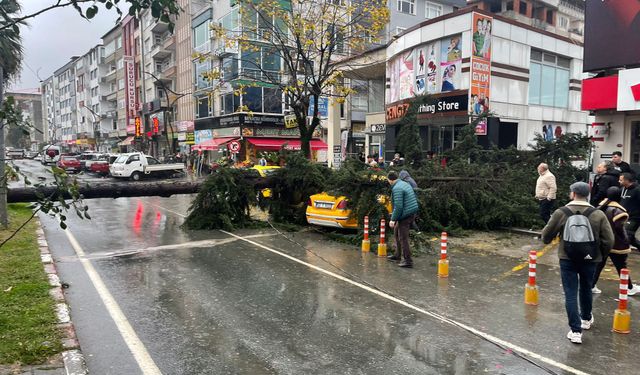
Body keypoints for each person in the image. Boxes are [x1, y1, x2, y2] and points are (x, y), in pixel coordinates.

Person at [542, 182, 614, 344]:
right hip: (590, 259)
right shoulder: (598, 214)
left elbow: (546, 235)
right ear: (587, 194)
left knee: (570, 292)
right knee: (586, 288)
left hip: (567, 258)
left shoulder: (561, 212)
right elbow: (609, 240)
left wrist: (549, 240)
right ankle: (586, 319)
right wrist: (600, 255)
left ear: (573, 193)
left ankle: (575, 331)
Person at [593, 187, 640, 295]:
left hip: (602, 242)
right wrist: (626, 240)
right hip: (616, 244)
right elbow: (619, 228)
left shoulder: (600, 207)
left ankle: (591, 285)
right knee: (621, 266)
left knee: (599, 265)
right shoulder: (618, 211)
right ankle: (629, 287)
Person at [387, 171, 419, 268]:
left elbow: (399, 206)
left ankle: (408, 261)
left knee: (403, 238)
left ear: (391, 180)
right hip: (410, 211)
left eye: (388, 180)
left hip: (406, 214)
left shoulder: (397, 188)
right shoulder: (404, 183)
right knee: (396, 232)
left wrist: (393, 219)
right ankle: (397, 255)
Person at [620, 172, 640, 250]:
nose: (619, 181)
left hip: (634, 217)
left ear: (627, 180)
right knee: (628, 236)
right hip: (623, 216)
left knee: (626, 234)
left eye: (621, 180)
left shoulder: (637, 190)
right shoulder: (622, 189)